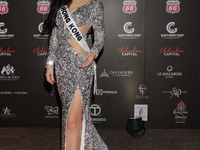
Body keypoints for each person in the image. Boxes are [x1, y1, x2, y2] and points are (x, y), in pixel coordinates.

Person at [44, 0, 108, 149]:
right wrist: (49, 65)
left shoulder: (94, 5)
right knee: (68, 117)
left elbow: (100, 35)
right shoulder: (62, 3)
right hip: (61, 67)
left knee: (73, 120)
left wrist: (94, 52)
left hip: (80, 65)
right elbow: (55, 36)